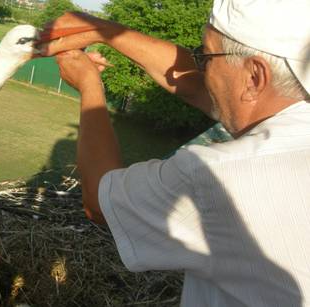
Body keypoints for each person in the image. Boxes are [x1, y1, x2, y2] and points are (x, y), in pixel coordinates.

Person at [38, 1, 310, 306]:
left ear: (255, 77)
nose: (199, 69)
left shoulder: (219, 176)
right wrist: (105, 31)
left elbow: (99, 200)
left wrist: (89, 84)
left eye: (205, 56)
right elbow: (200, 87)